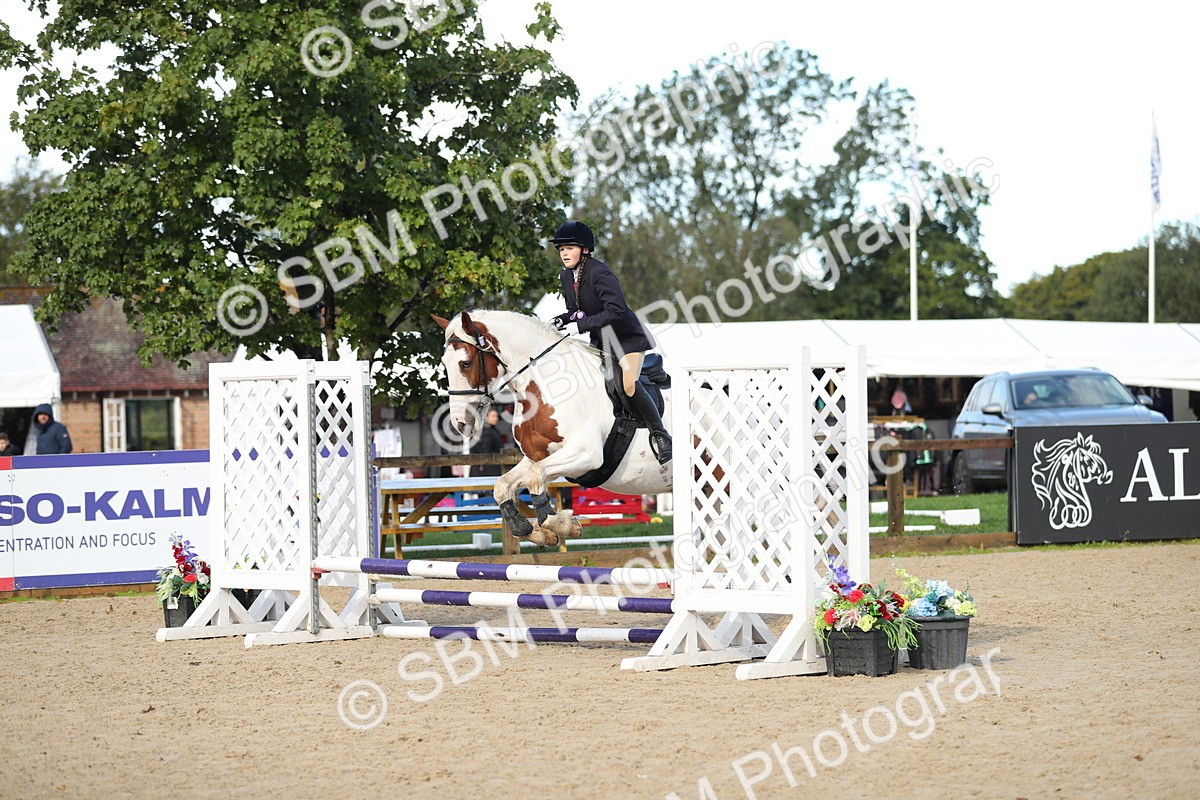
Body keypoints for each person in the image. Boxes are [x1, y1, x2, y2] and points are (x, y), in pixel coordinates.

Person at [548, 220, 672, 464]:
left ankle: (661, 435)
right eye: (561, 249)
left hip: (627, 339)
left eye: (569, 248)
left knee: (628, 384)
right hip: (602, 342)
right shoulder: (566, 276)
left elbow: (615, 311)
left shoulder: (600, 272)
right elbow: (576, 311)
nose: (564, 253)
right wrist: (561, 320)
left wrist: (579, 325)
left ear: (584, 250)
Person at [471, 408, 505, 478]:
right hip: (487, 469)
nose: (495, 418)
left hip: (494, 466)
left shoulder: (493, 430)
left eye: (496, 416)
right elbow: (484, 451)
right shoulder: (487, 432)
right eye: (493, 416)